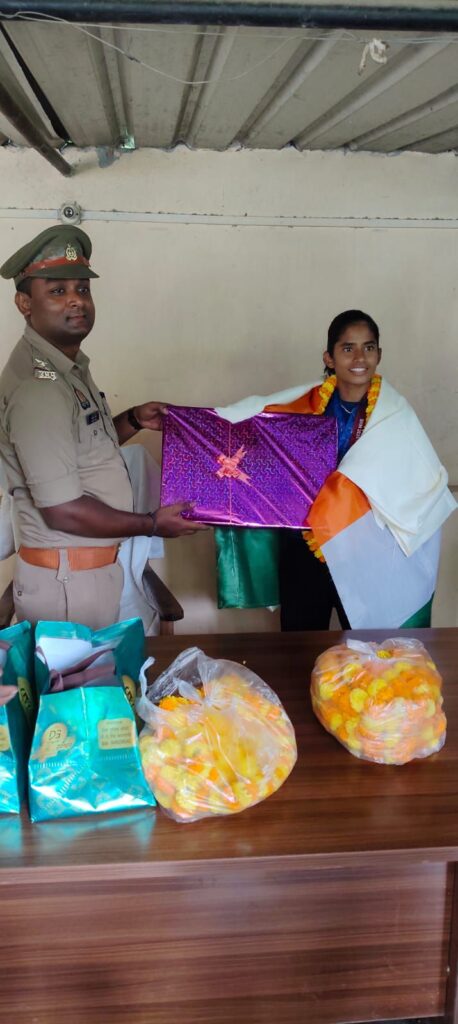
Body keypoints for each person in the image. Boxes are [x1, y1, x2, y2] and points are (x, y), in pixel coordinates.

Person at [0, 224, 205, 629]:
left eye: (82, 288)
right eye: (57, 291)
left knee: (95, 673)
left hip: (81, 575)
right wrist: (152, 524)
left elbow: (78, 446)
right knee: (78, 675)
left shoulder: (67, 367)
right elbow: (63, 511)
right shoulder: (39, 388)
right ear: (25, 303)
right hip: (67, 584)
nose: (76, 300)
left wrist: (132, 420)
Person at [214, 309, 456, 630]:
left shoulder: (396, 415)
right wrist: (176, 422)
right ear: (329, 357)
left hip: (365, 548)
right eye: (348, 348)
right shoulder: (304, 403)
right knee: (300, 642)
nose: (359, 358)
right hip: (306, 543)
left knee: (366, 644)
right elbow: (245, 419)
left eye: (369, 347)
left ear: (379, 354)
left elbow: (421, 480)